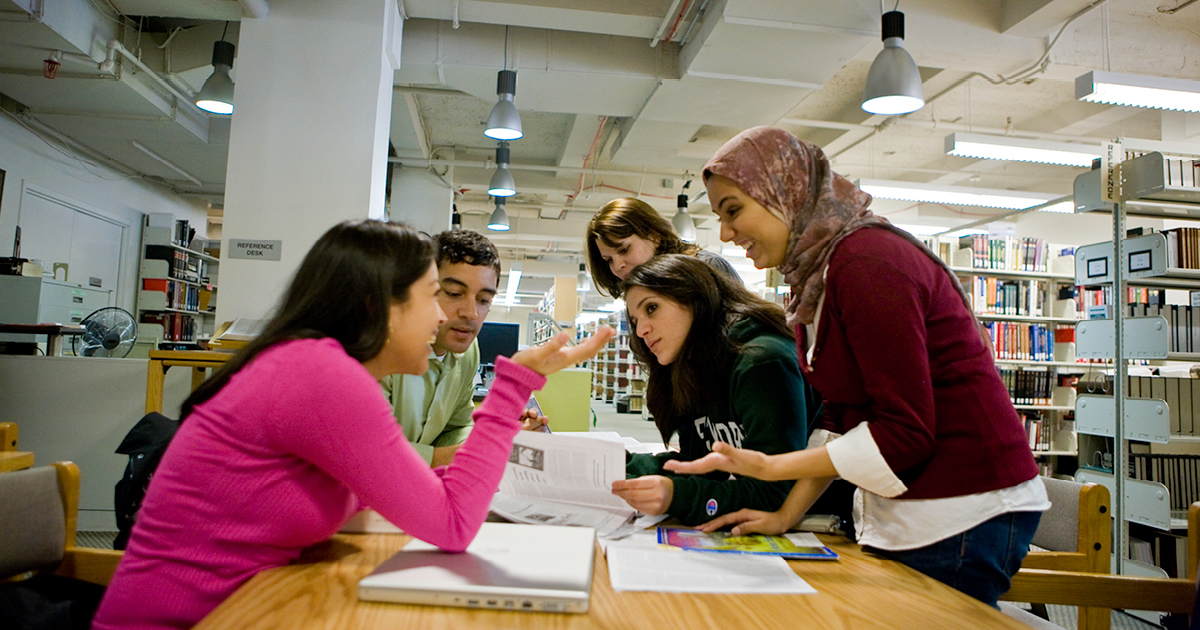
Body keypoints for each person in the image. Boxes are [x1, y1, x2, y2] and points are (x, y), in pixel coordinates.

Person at [92, 220, 613, 630]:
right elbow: (452, 525)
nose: (446, 318)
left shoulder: (316, 364)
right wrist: (511, 388)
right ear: (380, 308)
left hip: (251, 604)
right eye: (434, 295)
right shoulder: (324, 377)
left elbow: (401, 492)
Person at [665, 126, 1048, 608]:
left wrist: (771, 466)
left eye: (734, 210)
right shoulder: (816, 277)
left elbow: (905, 430)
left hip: (964, 505)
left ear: (784, 193)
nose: (724, 233)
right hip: (919, 503)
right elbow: (841, 417)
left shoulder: (867, 261)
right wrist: (786, 515)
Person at [609, 255, 818, 526]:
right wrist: (614, 466)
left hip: (826, 526)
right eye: (635, 321)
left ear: (695, 300)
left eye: (652, 308)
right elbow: (697, 465)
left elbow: (775, 494)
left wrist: (678, 497)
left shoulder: (762, 362)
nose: (642, 331)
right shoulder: (691, 368)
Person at [379, 229, 545, 468]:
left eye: (484, 300)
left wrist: (500, 435)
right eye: (454, 293)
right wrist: (487, 450)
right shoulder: (382, 346)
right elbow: (369, 450)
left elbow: (455, 427)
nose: (471, 313)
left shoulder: (468, 350)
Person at [584, 197, 739, 297]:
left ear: (654, 236)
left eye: (624, 250)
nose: (618, 266)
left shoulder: (707, 267)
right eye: (608, 260)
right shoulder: (642, 291)